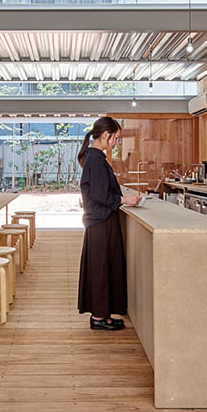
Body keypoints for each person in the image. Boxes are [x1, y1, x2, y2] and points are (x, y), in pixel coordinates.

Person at [77, 117, 140, 330]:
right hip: (100, 222)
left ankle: (102, 315)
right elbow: (100, 194)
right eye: (116, 138)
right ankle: (99, 318)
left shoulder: (95, 157)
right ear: (106, 135)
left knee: (103, 268)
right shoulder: (95, 160)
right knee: (101, 270)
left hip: (100, 221)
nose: (116, 142)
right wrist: (125, 200)